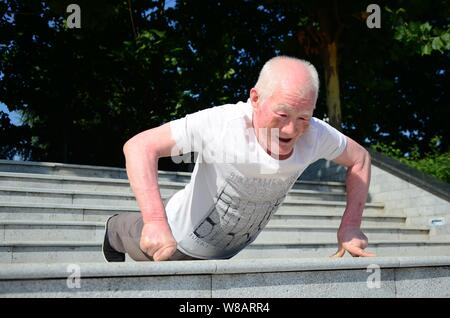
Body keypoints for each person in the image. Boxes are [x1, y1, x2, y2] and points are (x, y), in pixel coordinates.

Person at [102, 55, 375, 262]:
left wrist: (351, 226)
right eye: (282, 115)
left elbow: (360, 158)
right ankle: (115, 228)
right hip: (175, 240)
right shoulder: (221, 125)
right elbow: (139, 146)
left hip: (226, 251)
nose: (292, 130)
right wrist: (154, 222)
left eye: (303, 117)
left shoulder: (315, 134)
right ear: (255, 99)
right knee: (136, 238)